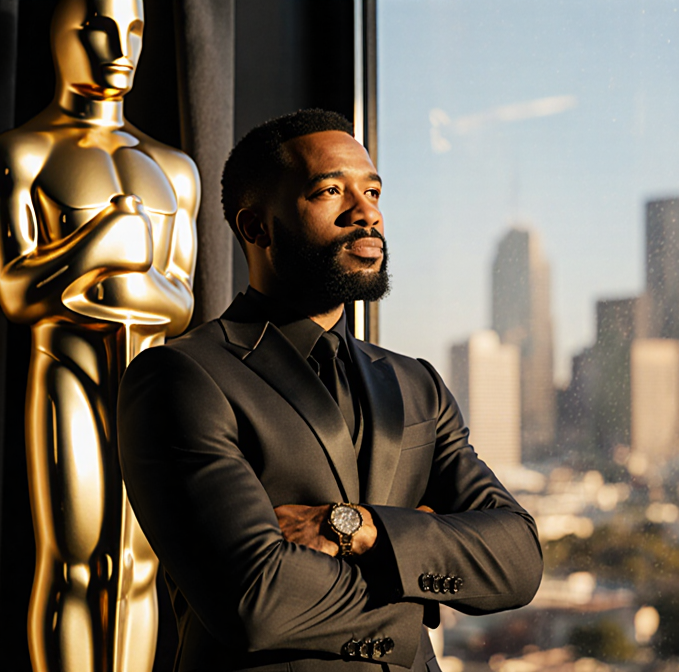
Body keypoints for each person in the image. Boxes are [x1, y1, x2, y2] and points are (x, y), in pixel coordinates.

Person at [117, 109, 542, 671]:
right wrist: (416, 590)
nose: (366, 212)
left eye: (372, 191)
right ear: (256, 228)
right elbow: (256, 600)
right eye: (329, 192)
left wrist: (353, 527)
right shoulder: (181, 377)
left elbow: (518, 557)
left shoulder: (416, 383)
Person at [0, 1, 198, 670]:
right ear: (61, 34)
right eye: (100, 27)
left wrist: (94, 279)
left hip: (151, 380)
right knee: (73, 562)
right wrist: (103, 241)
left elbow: (182, 303)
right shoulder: (22, 152)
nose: (120, 46)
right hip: (66, 369)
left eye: (133, 29)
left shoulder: (173, 167)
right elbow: (17, 293)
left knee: (138, 564)